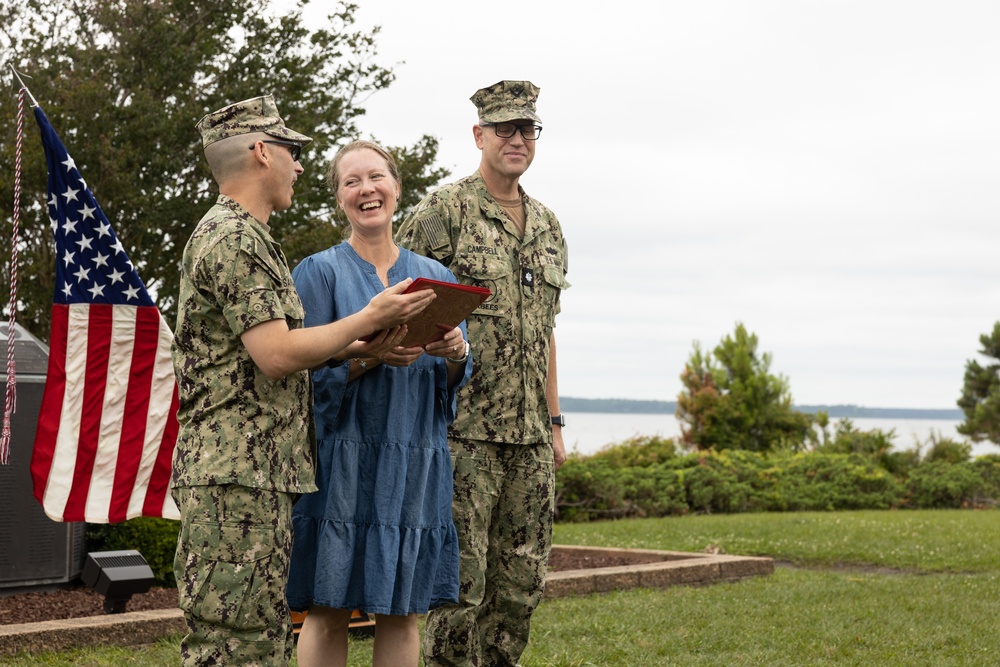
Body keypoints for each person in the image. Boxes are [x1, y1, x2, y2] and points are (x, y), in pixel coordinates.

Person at [171, 96, 435, 667]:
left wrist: (362, 348)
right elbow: (275, 354)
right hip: (234, 477)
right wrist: (372, 319)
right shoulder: (234, 239)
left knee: (259, 639)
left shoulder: (250, 237)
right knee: (232, 645)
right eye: (292, 152)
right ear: (263, 153)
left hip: (257, 475)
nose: (298, 165)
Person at [396, 80, 571, 667]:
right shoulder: (442, 213)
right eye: (505, 129)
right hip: (460, 433)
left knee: (521, 587)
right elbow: (397, 304)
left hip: (528, 440)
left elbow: (544, 330)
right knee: (459, 590)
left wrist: (554, 424)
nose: (517, 139)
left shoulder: (547, 225)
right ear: (479, 135)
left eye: (528, 129)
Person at [285, 140, 472, 667]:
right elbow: (302, 380)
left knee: (403, 609)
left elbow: (452, 382)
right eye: (351, 182)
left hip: (415, 457)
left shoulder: (436, 278)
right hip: (341, 461)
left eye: (376, 178)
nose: (366, 189)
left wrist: (457, 350)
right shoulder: (317, 273)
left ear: (396, 187)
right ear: (339, 199)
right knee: (328, 606)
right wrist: (369, 357)